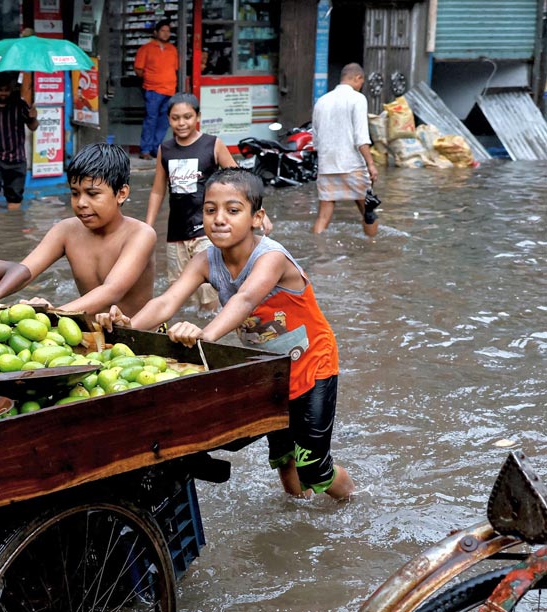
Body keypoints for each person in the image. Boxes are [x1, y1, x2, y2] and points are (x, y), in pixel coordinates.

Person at [98, 168, 355, 501]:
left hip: (313, 367)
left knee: (314, 467)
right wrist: (128, 328)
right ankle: (299, 523)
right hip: (271, 371)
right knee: (284, 459)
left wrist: (203, 334)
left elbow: (245, 300)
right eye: (210, 210)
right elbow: (167, 300)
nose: (219, 219)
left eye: (232, 211)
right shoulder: (206, 260)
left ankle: (352, 502)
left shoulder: (271, 258)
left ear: (256, 217)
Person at [0, 143, 156, 317]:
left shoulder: (141, 235)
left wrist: (51, 314)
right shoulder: (66, 230)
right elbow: (24, 272)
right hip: (90, 332)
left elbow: (112, 291)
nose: (81, 203)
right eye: (75, 193)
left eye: (92, 194)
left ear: (121, 193)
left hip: (137, 335)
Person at [145, 92, 273, 313]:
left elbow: (240, 180)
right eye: (175, 118)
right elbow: (158, 191)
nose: (182, 123)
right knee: (179, 293)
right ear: (168, 119)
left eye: (187, 116)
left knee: (209, 295)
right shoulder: (164, 150)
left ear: (198, 117)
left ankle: (210, 334)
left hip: (208, 230)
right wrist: (146, 228)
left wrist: (259, 211)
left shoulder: (212, 145)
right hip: (176, 234)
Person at [312, 62, 379, 237]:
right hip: (352, 164)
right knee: (368, 209)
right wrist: (371, 164)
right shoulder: (357, 99)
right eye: (361, 82)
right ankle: (374, 249)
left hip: (327, 164)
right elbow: (361, 138)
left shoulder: (322, 101)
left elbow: (316, 140)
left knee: (323, 215)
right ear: (358, 78)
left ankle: (317, 248)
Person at [0, 71, 39, 208]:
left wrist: (33, 117)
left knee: (15, 198)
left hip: (17, 159)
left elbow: (33, 127)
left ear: (11, 89)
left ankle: (13, 227)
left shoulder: (20, 106)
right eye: (0, 90)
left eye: (6, 90)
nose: (3, 94)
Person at [134, 19, 178, 160]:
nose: (166, 34)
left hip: (170, 90)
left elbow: (174, 69)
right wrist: (150, 78)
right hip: (153, 90)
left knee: (164, 122)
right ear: (155, 32)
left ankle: (155, 148)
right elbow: (138, 70)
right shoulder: (146, 49)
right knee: (151, 120)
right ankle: (145, 150)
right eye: (163, 31)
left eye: (168, 31)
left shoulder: (172, 49)